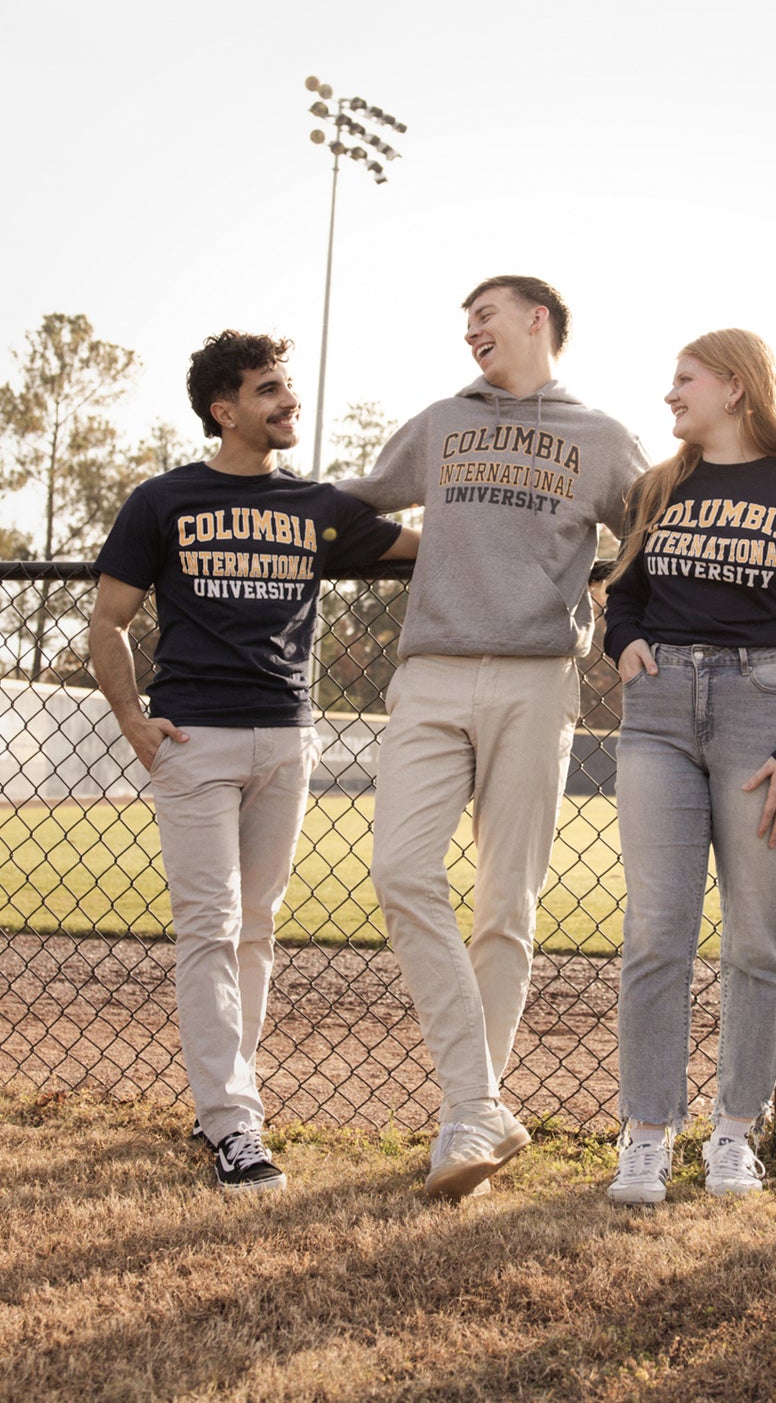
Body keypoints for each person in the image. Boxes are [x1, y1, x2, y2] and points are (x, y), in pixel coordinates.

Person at [338, 275, 648, 1198]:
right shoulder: (441, 420)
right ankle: (477, 1102)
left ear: (538, 320)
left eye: (486, 313)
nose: (471, 328)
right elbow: (352, 506)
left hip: (536, 677)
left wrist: (611, 612)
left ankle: (467, 1119)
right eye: (464, 319)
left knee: (506, 900)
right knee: (401, 869)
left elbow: (653, 535)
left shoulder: (601, 436)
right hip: (430, 671)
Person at [89, 332, 416, 1192]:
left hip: (287, 736)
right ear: (223, 409)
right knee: (209, 925)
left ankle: (220, 1102)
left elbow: (424, 547)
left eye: (288, 385)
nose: (287, 400)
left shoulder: (317, 505)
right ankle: (235, 1123)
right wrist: (133, 718)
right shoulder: (162, 500)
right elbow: (108, 620)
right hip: (193, 739)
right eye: (268, 389)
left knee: (256, 927)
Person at [601, 330, 776, 1204]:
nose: (670, 394)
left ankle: (736, 1133)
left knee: (756, 938)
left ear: (736, 387)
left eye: (685, 379)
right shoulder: (658, 487)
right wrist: (625, 640)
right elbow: (624, 591)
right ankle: (646, 1134)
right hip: (662, 712)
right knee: (656, 930)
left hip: (765, 710)